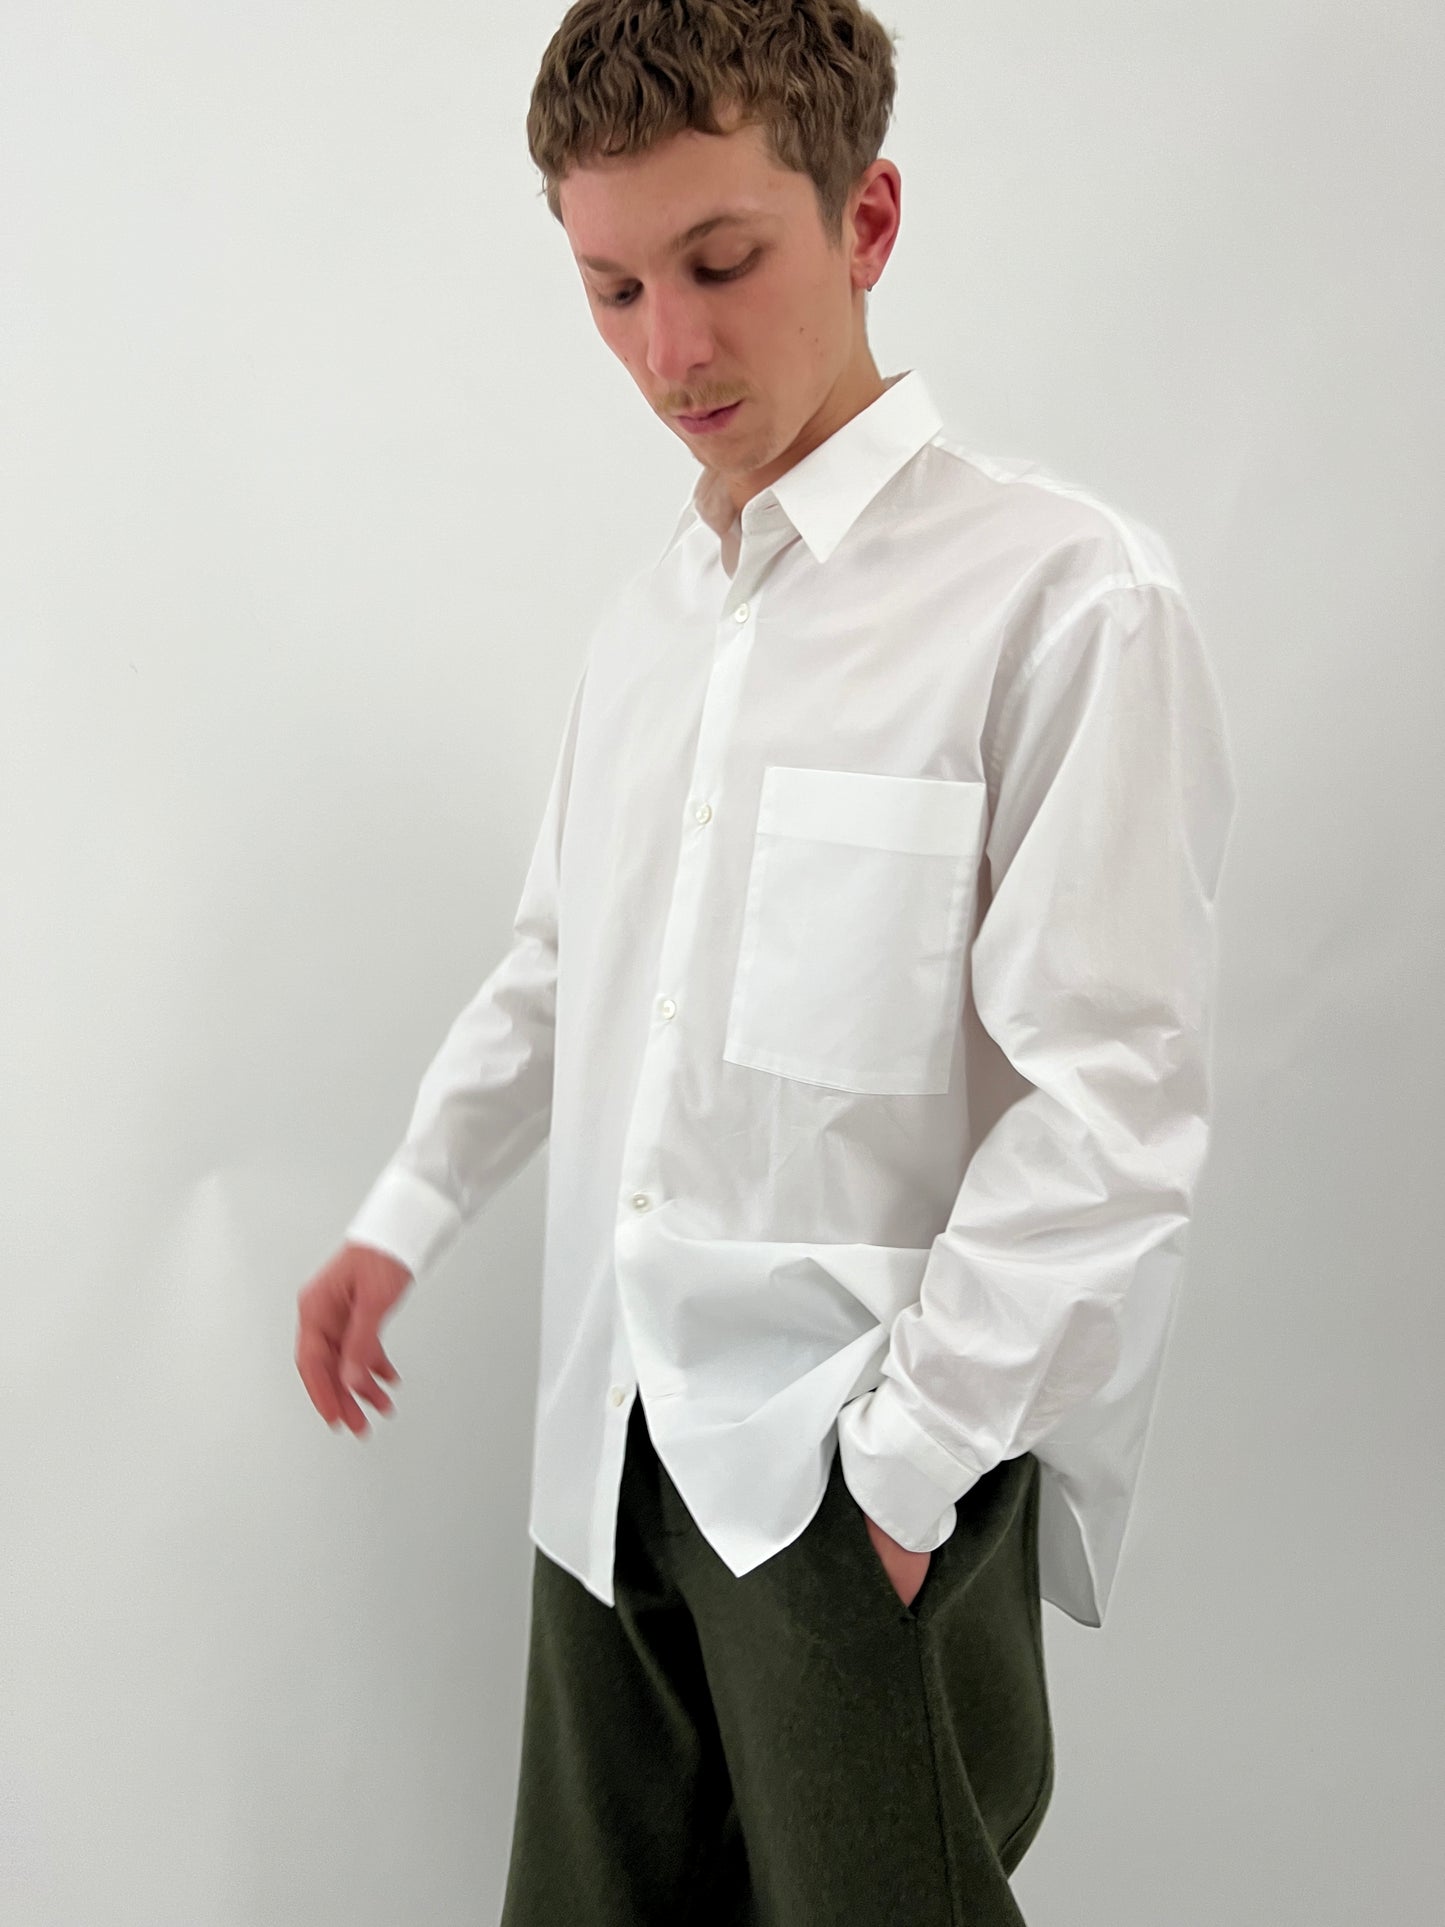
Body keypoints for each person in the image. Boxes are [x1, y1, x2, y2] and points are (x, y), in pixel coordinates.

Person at [295, 3, 1238, 1920]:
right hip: (604, 1446)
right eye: (612, 288)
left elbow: (1110, 1103)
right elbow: (562, 963)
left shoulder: (1062, 598)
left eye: (720, 263)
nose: (670, 351)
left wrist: (905, 1473)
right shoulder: (650, 629)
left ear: (864, 219)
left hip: (845, 1464)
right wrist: (406, 1213)